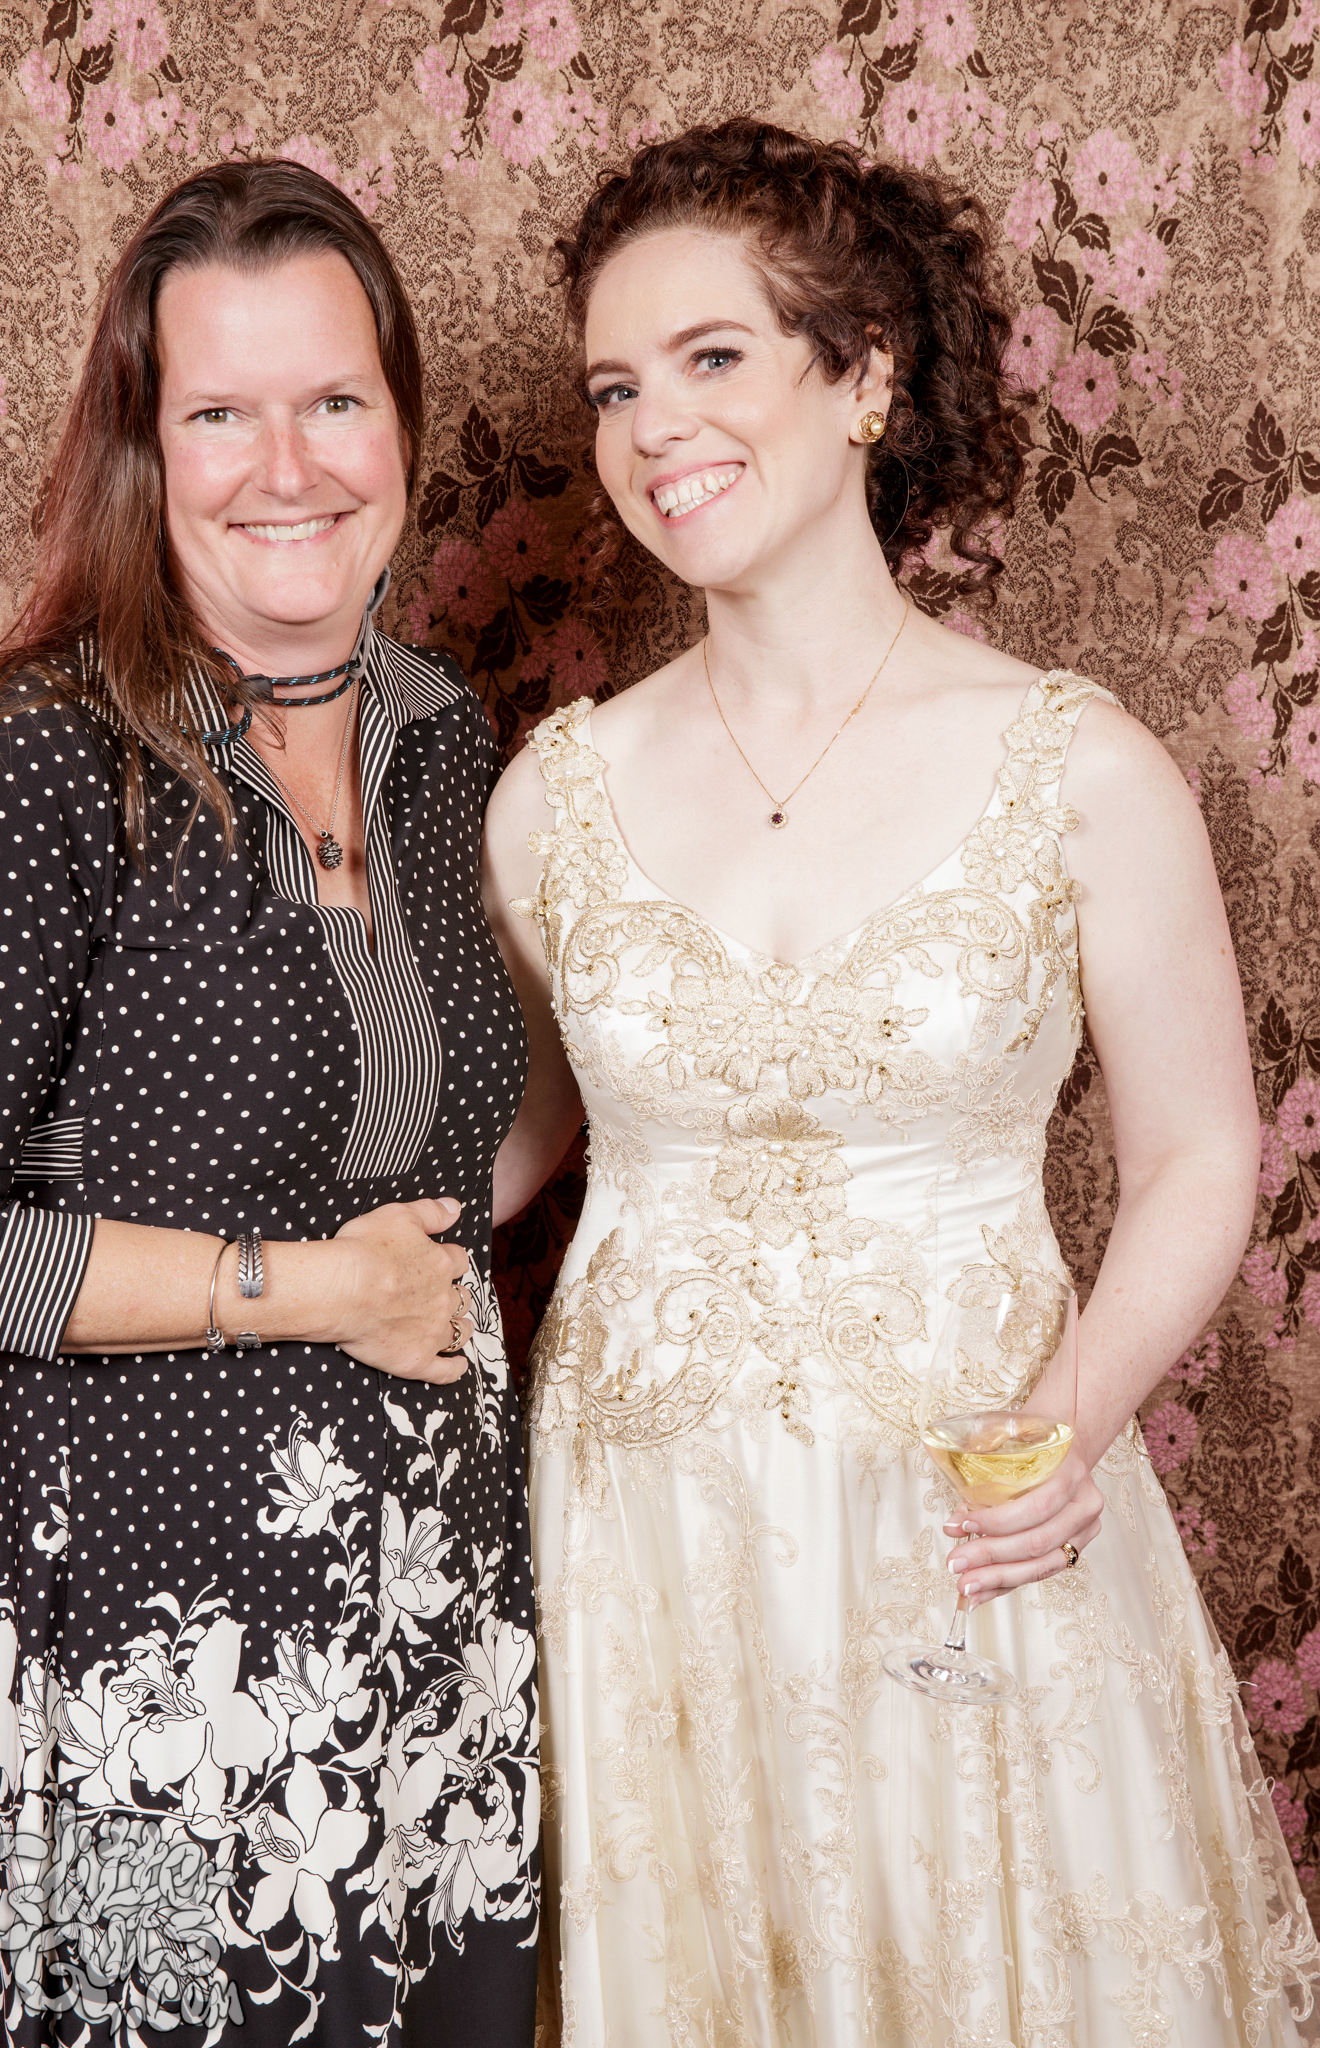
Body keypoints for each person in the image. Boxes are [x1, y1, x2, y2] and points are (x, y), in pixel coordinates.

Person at [483, 120, 1320, 2045]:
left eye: (710, 357)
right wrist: (231, 1263)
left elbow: (1201, 1155)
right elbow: (513, 1143)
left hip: (974, 1501)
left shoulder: (1076, 768)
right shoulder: (554, 796)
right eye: (614, 386)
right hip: (651, 1529)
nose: (652, 428)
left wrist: (1070, 1421)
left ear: (860, 374)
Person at [0, 161, 538, 2045]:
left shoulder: (445, 739)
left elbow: (463, 1132)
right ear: (148, 450)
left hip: (428, 1616)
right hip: (152, 1655)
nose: (285, 467)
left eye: (332, 400)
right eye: (220, 413)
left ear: (401, 425)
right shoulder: (42, 762)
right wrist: (302, 1289)